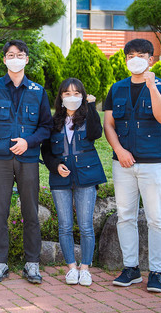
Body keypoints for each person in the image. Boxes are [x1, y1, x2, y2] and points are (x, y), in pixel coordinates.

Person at [0, 41, 53, 284]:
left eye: (20, 55)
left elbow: (47, 126)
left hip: (27, 158)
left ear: (27, 59)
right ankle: (0, 263)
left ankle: (32, 263)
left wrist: (28, 141)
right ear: (4, 60)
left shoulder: (37, 91)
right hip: (0, 158)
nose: (15, 58)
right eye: (10, 55)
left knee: (31, 212)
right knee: (0, 212)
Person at [103, 39, 161, 293]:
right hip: (123, 164)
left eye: (141, 54)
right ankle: (131, 269)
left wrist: (151, 86)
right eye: (131, 55)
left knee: (156, 219)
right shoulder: (117, 88)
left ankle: (156, 272)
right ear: (125, 60)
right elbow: (108, 124)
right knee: (125, 217)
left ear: (151, 59)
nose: (135, 58)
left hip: (153, 164)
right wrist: (119, 151)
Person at [41, 78, 106, 286]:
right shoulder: (53, 121)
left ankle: (85, 268)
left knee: (86, 226)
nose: (72, 97)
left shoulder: (88, 116)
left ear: (83, 96)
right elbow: (46, 150)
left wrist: (92, 107)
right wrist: (55, 165)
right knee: (65, 226)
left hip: (86, 176)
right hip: (60, 179)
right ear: (60, 97)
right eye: (67, 93)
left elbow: (97, 133)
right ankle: (71, 268)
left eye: (77, 93)